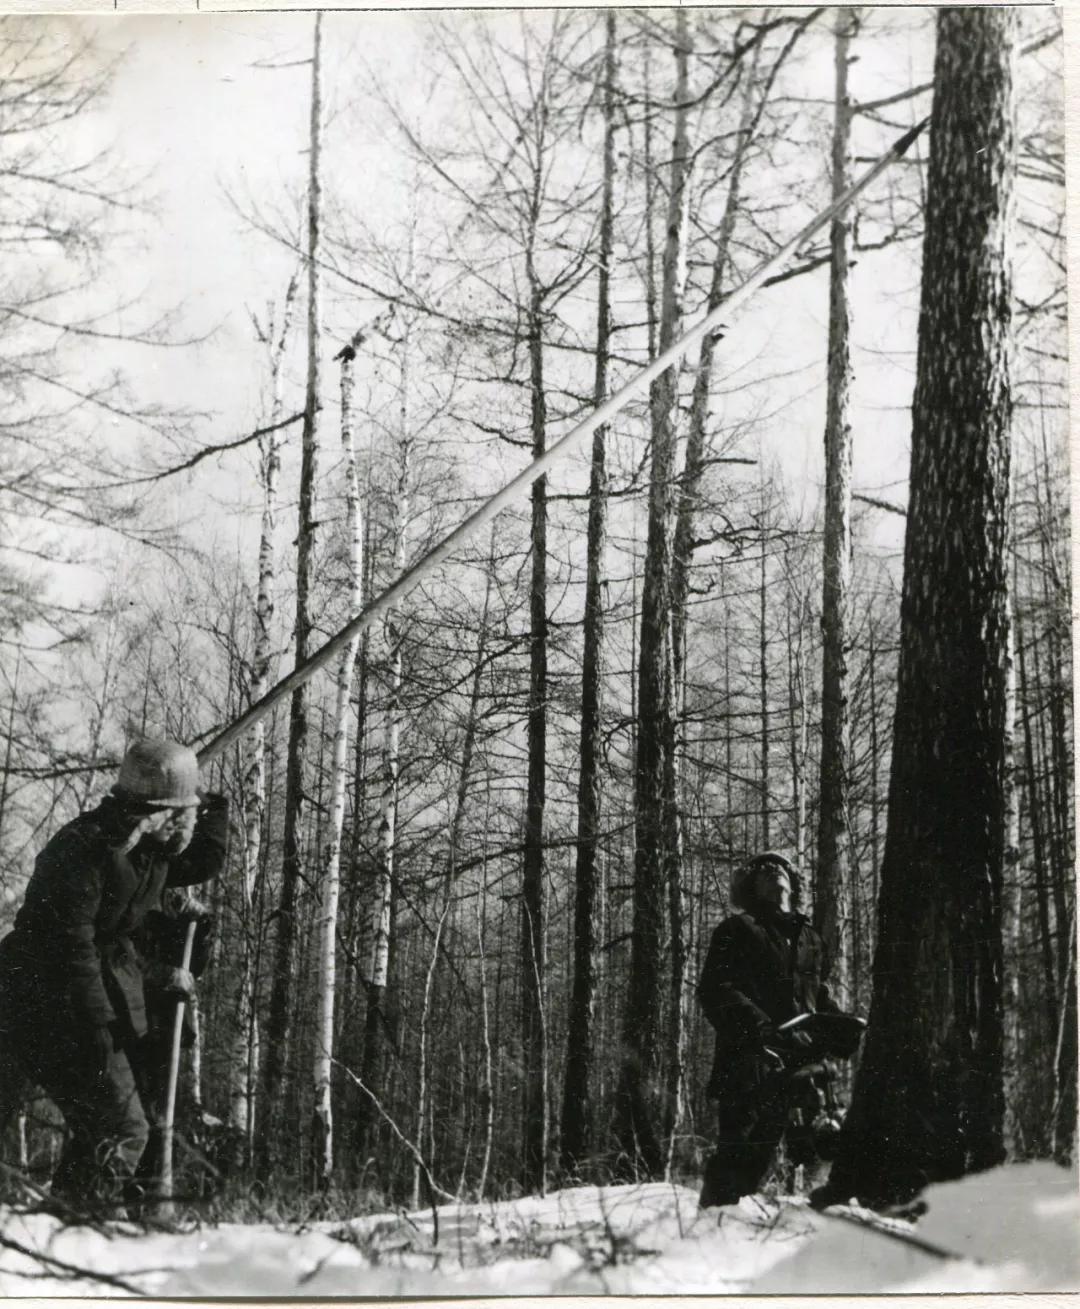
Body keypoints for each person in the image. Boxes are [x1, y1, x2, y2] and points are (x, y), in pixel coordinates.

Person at [0, 738, 228, 1213]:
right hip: (31, 999)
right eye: (182, 812)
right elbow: (69, 949)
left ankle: (67, 1223)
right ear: (154, 812)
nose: (188, 822)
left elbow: (202, 859)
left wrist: (210, 803)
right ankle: (78, 1224)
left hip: (74, 1000)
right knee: (122, 1126)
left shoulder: (150, 848)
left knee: (106, 1123)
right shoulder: (83, 849)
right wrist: (101, 1027)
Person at [697, 850, 859, 1208]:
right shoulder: (736, 930)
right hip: (750, 1065)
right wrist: (760, 1026)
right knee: (739, 1164)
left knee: (823, 1156)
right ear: (750, 886)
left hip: (804, 1069)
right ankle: (710, 1237)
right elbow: (715, 990)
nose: (774, 871)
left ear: (794, 882)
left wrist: (841, 1026)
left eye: (782, 867)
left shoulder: (811, 939)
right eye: (763, 869)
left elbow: (817, 998)